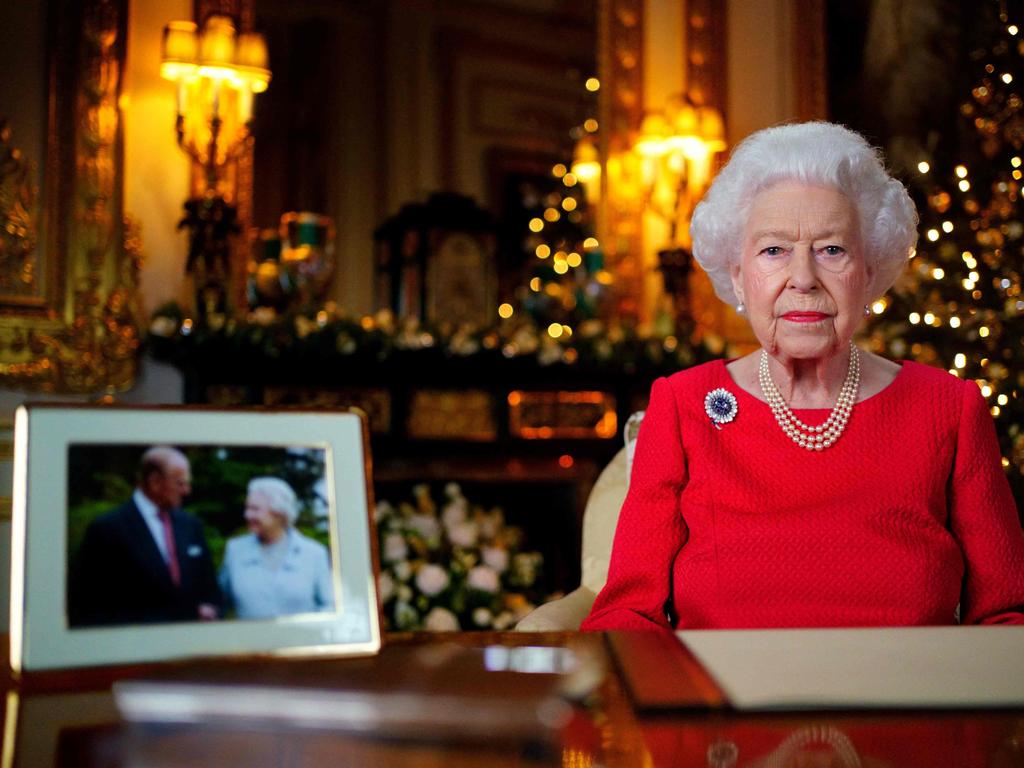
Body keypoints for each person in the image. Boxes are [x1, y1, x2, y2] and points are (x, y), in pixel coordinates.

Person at [582, 122, 1024, 631]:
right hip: (723, 705)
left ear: (870, 271)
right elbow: (626, 615)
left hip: (904, 704)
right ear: (736, 273)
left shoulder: (948, 407)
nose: (803, 278)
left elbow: (1006, 617)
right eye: (773, 250)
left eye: (831, 249)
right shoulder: (683, 405)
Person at [69, 446, 221, 626]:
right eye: (180, 483)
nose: (187, 490)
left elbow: (210, 587)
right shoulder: (107, 529)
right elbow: (86, 604)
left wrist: (211, 608)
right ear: (155, 482)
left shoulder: (191, 525)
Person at [219, 476, 335, 619]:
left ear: (279, 513)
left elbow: (329, 605)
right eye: (247, 508)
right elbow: (219, 602)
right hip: (249, 641)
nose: (247, 515)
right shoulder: (235, 550)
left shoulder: (314, 553)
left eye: (255, 509)